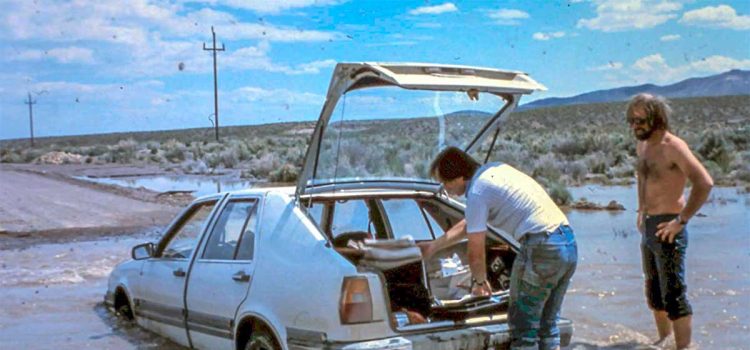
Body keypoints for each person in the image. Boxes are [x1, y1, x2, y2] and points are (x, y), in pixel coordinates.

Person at [419, 146, 577, 350]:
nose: (446, 189)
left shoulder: (477, 191)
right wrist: (434, 246)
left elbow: (475, 251)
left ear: (459, 177)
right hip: (567, 242)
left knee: (523, 329)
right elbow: (470, 223)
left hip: (540, 247)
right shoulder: (495, 172)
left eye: (446, 182)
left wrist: (479, 282)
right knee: (548, 325)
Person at [627, 93, 713, 350]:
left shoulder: (672, 146)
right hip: (650, 224)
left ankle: (683, 347)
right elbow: (642, 178)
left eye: (640, 120)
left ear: (657, 117)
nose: (635, 126)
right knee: (654, 293)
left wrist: (681, 221)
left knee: (674, 294)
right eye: (631, 120)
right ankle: (663, 342)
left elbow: (704, 182)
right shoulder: (642, 145)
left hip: (670, 225)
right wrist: (640, 211)